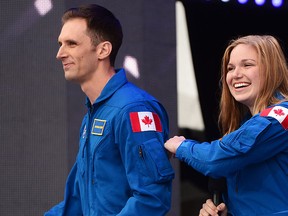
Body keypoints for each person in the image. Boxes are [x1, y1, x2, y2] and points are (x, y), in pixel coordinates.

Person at [45, 4, 174, 216]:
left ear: (103, 50)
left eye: (71, 44)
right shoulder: (94, 114)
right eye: (60, 44)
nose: (60, 53)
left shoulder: (134, 109)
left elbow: (151, 199)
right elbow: (79, 201)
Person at [165, 35, 288, 215]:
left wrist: (181, 146)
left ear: (271, 70)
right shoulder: (245, 124)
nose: (235, 74)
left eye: (247, 65)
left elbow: (216, 160)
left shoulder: (281, 116)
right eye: (230, 68)